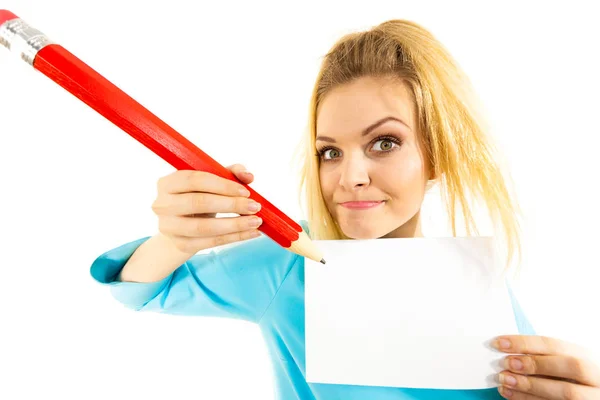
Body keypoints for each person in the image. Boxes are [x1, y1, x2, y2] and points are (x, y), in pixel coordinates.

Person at [90, 19, 600, 399]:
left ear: (437, 155)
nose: (349, 174)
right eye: (329, 151)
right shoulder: (291, 265)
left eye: (384, 143)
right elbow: (143, 291)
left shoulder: (477, 281)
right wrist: (176, 240)